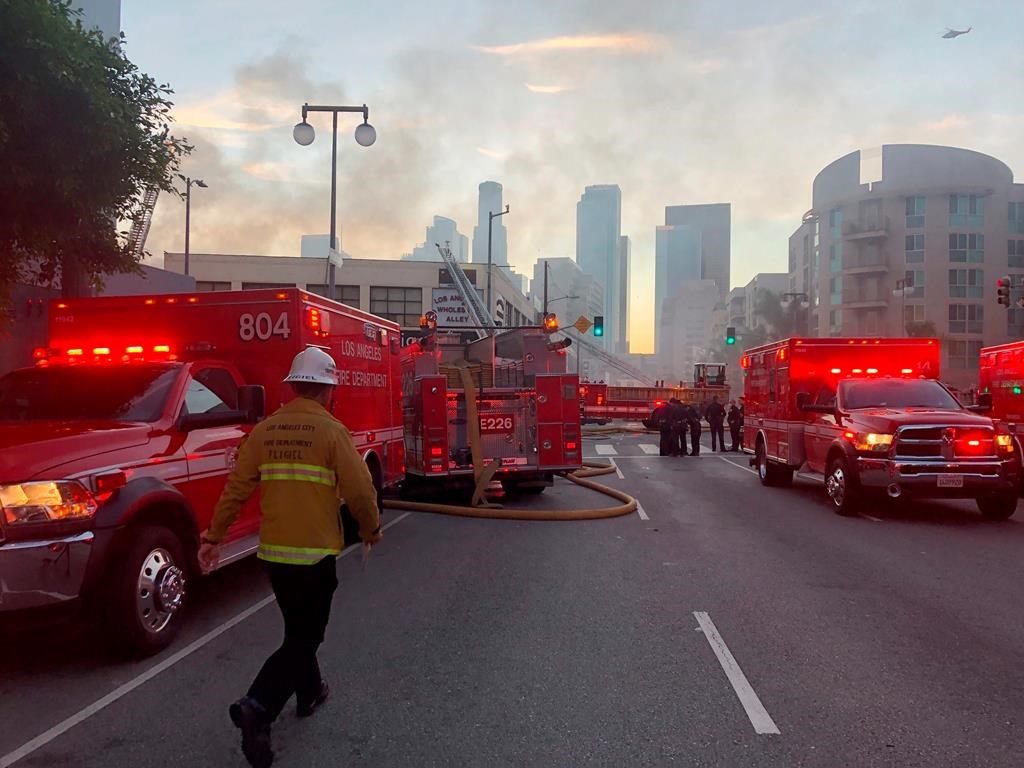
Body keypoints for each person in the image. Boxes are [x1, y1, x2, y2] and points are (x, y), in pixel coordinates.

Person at [198, 347, 382, 768]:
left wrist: (213, 537)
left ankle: (310, 693)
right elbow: (360, 491)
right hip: (314, 556)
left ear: (295, 386)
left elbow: (236, 490)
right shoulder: (332, 432)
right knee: (306, 636)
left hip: (274, 555)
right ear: (328, 390)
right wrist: (371, 529)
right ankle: (258, 706)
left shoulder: (264, 432)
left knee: (298, 629)